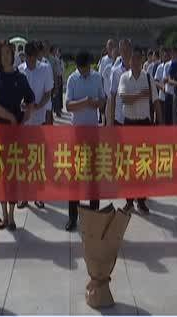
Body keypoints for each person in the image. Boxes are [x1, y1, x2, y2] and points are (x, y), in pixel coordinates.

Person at [0, 42, 35, 230]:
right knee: (0, 175)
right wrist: (10, 117)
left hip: (15, 133)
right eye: (3, 54)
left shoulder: (21, 78)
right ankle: (4, 216)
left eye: (9, 53)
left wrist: (26, 115)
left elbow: (31, 99)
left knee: (13, 174)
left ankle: (12, 215)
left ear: (13, 55)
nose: (6, 56)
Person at [64, 50, 106, 231]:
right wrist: (85, 102)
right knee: (75, 176)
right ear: (77, 67)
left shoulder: (97, 78)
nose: (85, 71)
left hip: (93, 132)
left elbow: (103, 99)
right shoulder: (72, 80)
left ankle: (94, 213)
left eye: (87, 68)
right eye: (82, 69)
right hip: (77, 133)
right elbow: (68, 105)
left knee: (94, 174)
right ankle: (72, 216)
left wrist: (96, 103)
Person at [118, 46, 160, 214]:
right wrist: (139, 96)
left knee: (143, 164)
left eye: (138, 59)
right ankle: (129, 200)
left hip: (144, 125)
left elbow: (156, 101)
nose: (135, 62)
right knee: (129, 164)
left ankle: (141, 200)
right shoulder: (124, 78)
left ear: (142, 61)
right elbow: (123, 98)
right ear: (129, 61)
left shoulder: (148, 78)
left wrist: (161, 123)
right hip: (129, 124)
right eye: (133, 59)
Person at [17, 41, 53, 209]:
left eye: (33, 59)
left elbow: (48, 92)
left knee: (38, 158)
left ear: (36, 56)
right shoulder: (20, 70)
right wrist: (21, 104)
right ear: (26, 56)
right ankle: (24, 195)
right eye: (28, 59)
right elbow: (16, 94)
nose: (30, 62)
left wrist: (39, 105)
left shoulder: (45, 69)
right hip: (24, 120)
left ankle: (39, 194)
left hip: (38, 119)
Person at [108, 39, 132, 127]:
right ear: (120, 51)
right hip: (119, 118)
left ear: (131, 50)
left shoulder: (138, 71)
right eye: (122, 50)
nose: (125, 53)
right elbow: (112, 97)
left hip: (134, 117)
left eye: (127, 50)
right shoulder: (115, 72)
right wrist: (111, 121)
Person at [154, 48, 170, 124]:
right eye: (164, 56)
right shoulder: (160, 67)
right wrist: (162, 87)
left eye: (167, 56)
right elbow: (155, 81)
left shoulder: (170, 66)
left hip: (169, 97)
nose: (166, 57)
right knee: (160, 119)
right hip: (161, 97)